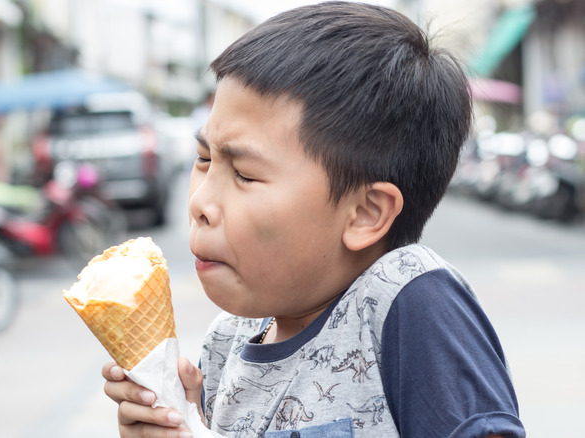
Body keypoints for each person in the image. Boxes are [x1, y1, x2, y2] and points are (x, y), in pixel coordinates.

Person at [103, 2, 525, 437]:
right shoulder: (225, 343)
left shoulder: (409, 300)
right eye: (204, 159)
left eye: (245, 174)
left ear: (365, 213)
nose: (199, 202)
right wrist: (184, 421)